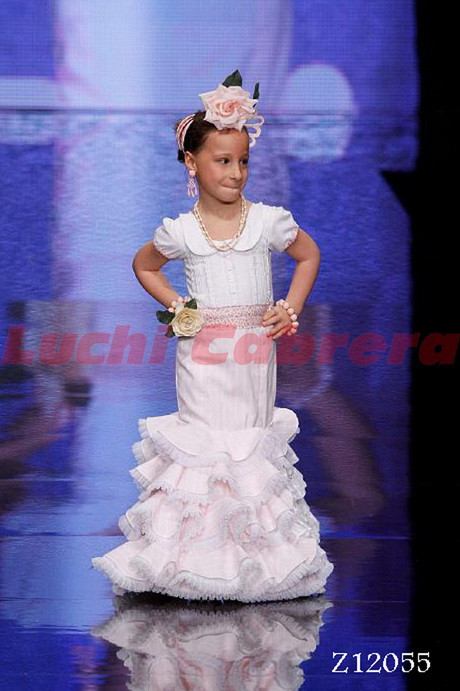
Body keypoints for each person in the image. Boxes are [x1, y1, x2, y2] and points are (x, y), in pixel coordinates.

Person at [91, 70, 333, 602]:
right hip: (201, 355)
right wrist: (179, 306)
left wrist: (289, 308)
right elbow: (144, 265)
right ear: (191, 163)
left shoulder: (268, 221)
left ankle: (254, 557)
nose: (236, 172)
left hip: (251, 354)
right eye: (223, 161)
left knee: (247, 442)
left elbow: (308, 254)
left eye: (243, 161)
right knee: (205, 445)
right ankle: (191, 558)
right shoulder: (179, 231)